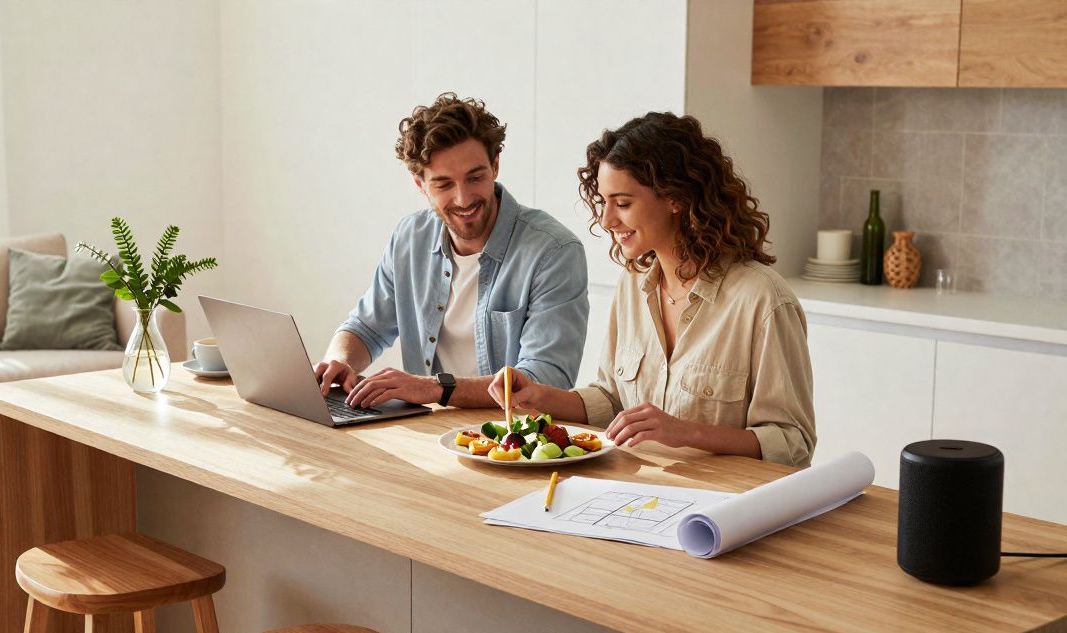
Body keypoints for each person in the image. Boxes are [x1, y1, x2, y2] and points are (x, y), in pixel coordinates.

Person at [489, 112, 815, 467]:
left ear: (675, 197)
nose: (606, 220)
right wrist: (539, 396)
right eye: (604, 202)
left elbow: (793, 442)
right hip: (637, 496)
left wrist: (685, 432)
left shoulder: (763, 300)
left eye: (623, 203)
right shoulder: (634, 285)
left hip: (724, 509)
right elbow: (611, 400)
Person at [314, 92, 589, 410]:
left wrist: (435, 389)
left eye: (475, 177)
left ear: (495, 165)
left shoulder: (553, 252)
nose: (463, 199)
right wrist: (339, 360)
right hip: (427, 434)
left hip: (507, 443)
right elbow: (366, 327)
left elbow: (544, 379)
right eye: (444, 184)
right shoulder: (410, 238)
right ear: (420, 184)